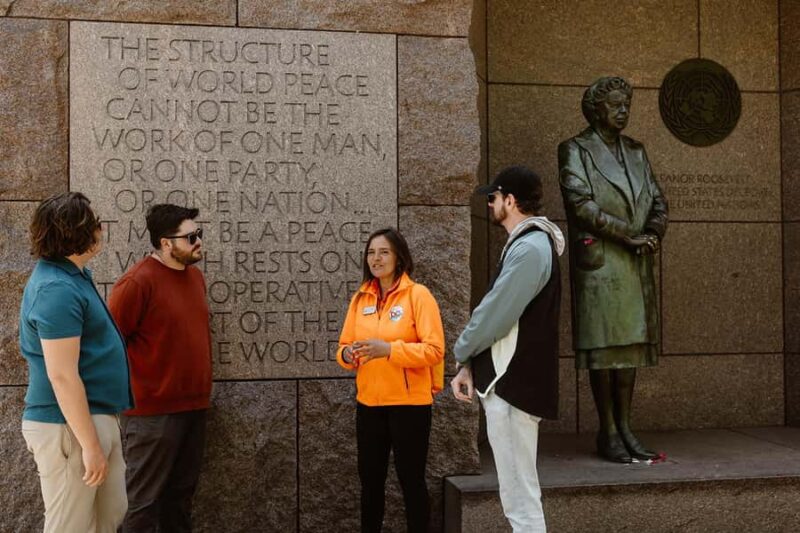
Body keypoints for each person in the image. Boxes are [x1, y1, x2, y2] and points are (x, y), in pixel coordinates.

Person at [558, 76, 668, 463]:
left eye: (627, 106)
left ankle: (625, 427)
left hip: (636, 262)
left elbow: (657, 199)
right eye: (615, 105)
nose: (623, 112)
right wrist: (628, 236)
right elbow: (580, 206)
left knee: (629, 351)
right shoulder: (575, 149)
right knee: (605, 352)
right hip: (603, 264)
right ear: (595, 110)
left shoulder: (637, 151)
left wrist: (653, 233)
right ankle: (607, 430)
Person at [451, 166, 563, 533]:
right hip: (510, 381)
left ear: (510, 200)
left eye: (493, 198)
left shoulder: (531, 248)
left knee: (520, 498)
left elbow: (496, 312)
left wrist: (462, 350)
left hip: (513, 386)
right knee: (517, 494)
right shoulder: (528, 245)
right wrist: (470, 364)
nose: (489, 205)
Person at [19, 192, 132, 533]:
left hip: (90, 420)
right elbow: (62, 375)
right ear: (75, 232)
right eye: (95, 223)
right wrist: (90, 445)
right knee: (70, 526)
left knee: (107, 519)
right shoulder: (56, 288)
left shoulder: (72, 278)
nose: (101, 229)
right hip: (68, 427)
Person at [108, 204, 212, 532]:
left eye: (199, 234)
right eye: (191, 237)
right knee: (142, 503)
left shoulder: (195, 277)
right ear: (166, 243)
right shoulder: (137, 282)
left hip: (194, 409)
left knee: (180, 499)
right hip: (152, 416)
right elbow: (110, 343)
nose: (199, 242)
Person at [337, 227, 445, 533]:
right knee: (370, 484)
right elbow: (343, 346)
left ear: (399, 258)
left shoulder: (418, 295)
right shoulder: (361, 298)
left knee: (411, 482)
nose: (376, 258)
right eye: (371, 252)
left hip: (409, 405)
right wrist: (348, 356)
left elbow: (434, 350)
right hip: (369, 404)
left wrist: (389, 351)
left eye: (383, 252)